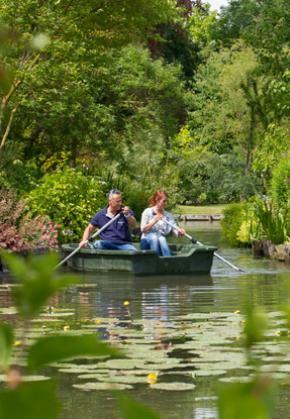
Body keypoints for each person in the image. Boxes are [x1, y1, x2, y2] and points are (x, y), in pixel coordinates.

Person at [140, 190, 186, 256]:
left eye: (167, 201)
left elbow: (174, 229)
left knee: (162, 239)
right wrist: (154, 221)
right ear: (157, 200)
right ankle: (156, 261)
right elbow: (143, 229)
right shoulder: (147, 212)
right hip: (146, 242)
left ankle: (167, 260)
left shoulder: (168, 215)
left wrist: (179, 231)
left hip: (160, 242)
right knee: (154, 237)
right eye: (164, 201)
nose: (166, 203)